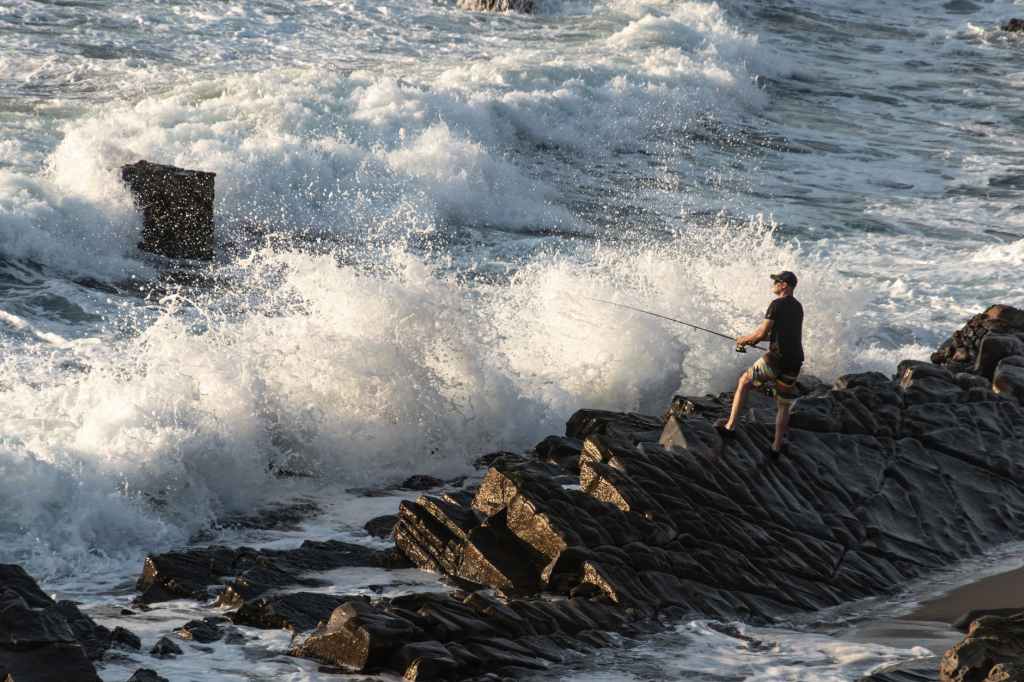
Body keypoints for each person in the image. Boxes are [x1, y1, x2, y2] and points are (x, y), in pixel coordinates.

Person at [715, 271, 804, 458]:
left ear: (785, 285)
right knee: (784, 404)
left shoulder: (776, 304)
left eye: (777, 281)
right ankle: (776, 447)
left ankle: (730, 427)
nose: (774, 284)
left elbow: (762, 334)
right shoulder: (798, 307)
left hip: (776, 359)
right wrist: (754, 340)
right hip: (794, 361)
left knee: (744, 381)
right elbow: (782, 335)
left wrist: (744, 340)